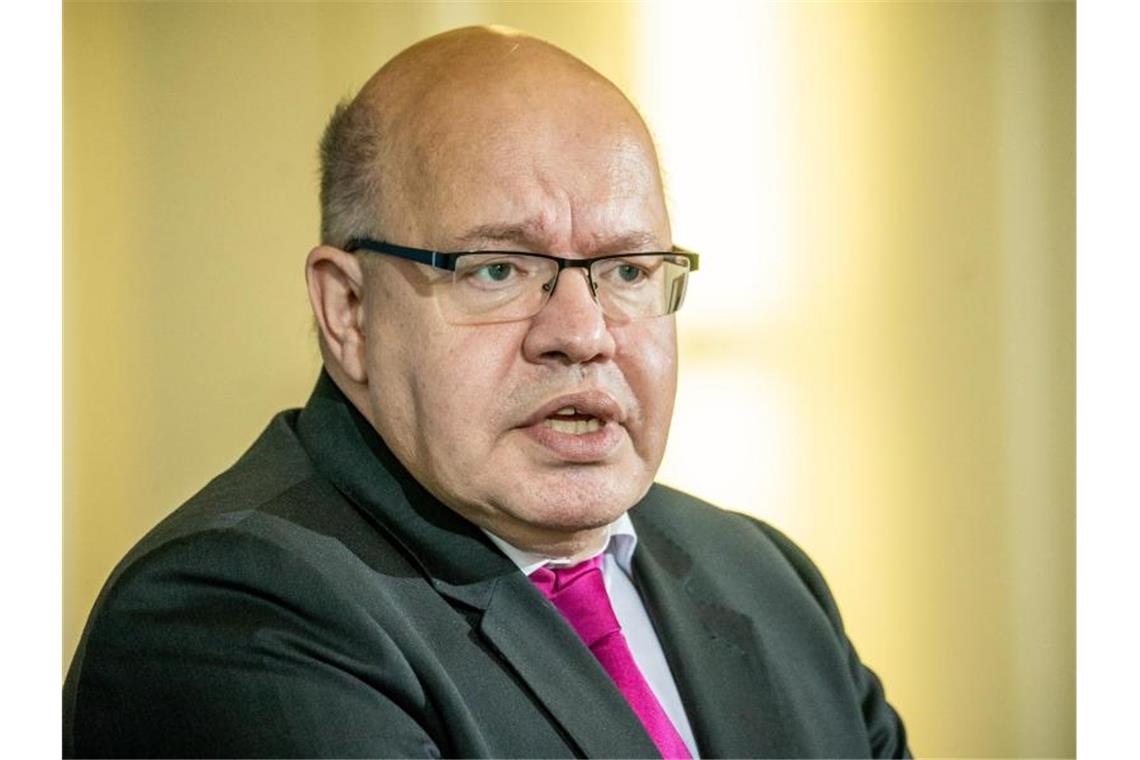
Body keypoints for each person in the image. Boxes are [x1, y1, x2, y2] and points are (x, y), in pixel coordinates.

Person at [63, 26, 909, 759]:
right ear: (348, 310)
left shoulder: (763, 574)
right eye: (498, 269)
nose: (583, 333)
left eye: (626, 270)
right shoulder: (229, 613)